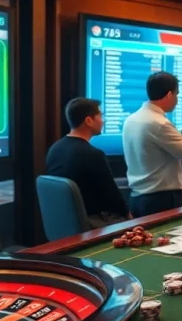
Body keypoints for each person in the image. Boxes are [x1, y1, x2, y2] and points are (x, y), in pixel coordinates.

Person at [122, 71, 182, 217]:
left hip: (139, 199)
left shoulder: (132, 119)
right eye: (177, 94)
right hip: (161, 201)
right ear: (169, 95)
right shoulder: (159, 123)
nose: (177, 100)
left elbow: (169, 145)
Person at [45, 98, 129, 228]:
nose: (103, 121)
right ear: (89, 120)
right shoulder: (93, 154)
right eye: (100, 116)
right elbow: (112, 196)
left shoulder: (55, 149)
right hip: (94, 223)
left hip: (63, 223)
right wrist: (128, 215)